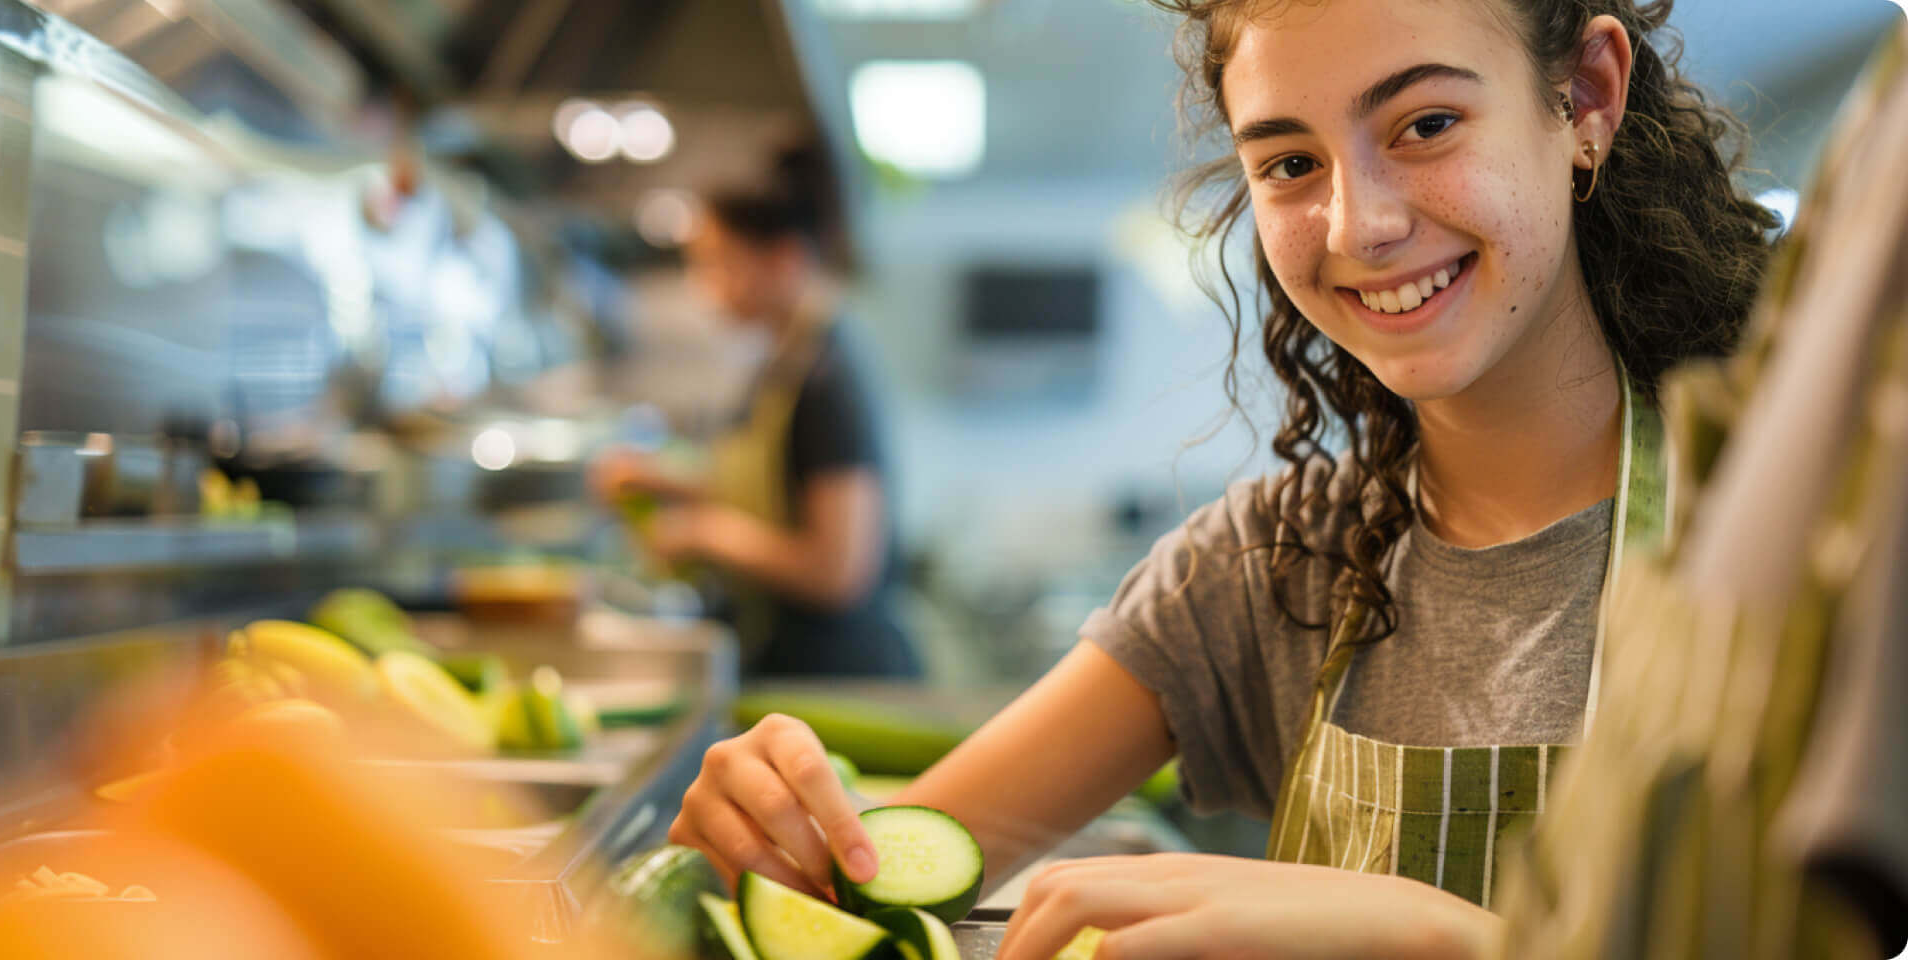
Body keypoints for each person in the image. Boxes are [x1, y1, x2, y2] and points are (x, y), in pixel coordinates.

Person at [664, 0, 1780, 956]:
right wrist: (774, 836)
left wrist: (1452, 938)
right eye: (1291, 163)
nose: (1362, 223)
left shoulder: (1804, 536)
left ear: (1585, 98)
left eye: (1428, 124)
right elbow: (870, 877)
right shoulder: (1273, 567)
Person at [592, 146, 921, 680]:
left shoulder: (829, 381)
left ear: (783, 259)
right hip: (790, 660)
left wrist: (706, 533)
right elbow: (768, 491)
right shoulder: (787, 364)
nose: (704, 286)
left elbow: (840, 570)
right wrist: (657, 478)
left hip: (841, 677)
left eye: (717, 261)